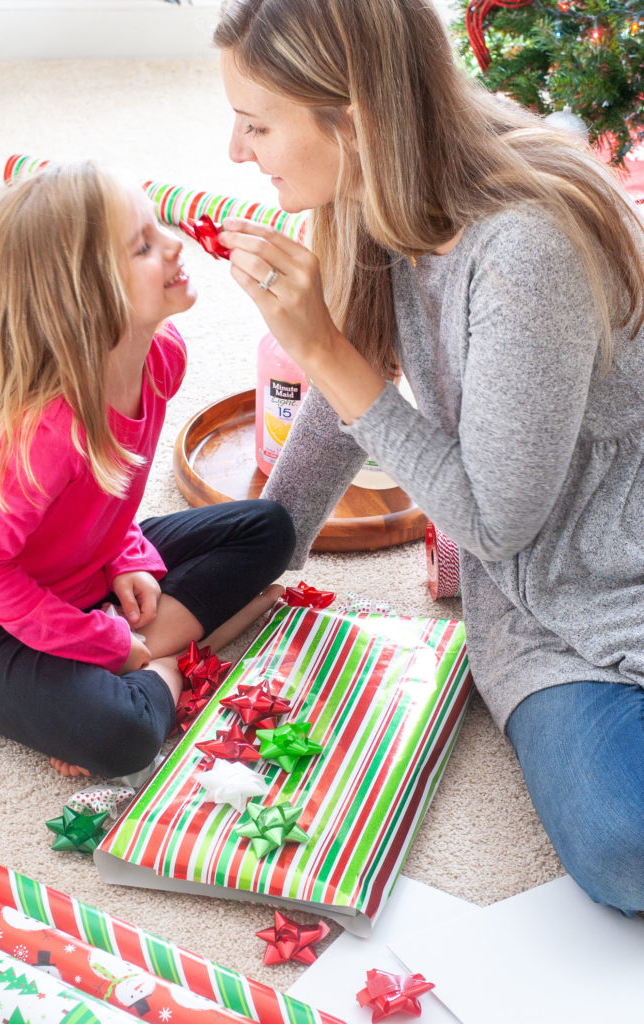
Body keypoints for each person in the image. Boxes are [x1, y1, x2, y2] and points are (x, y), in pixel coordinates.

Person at [212, 0, 644, 914]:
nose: (236, 152)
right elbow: (350, 395)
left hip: (605, 561)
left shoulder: (522, 246)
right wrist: (262, 562)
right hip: (540, 606)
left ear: (352, 118)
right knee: (623, 845)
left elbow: (487, 518)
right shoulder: (378, 187)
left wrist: (319, 346)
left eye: (255, 124)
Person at [0, 161, 295, 780]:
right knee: (120, 736)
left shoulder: (161, 357)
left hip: (80, 572)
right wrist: (109, 645)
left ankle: (146, 658)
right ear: (85, 298)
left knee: (270, 526)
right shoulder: (40, 436)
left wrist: (126, 557)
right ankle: (169, 664)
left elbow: (109, 507)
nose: (176, 243)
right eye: (144, 245)